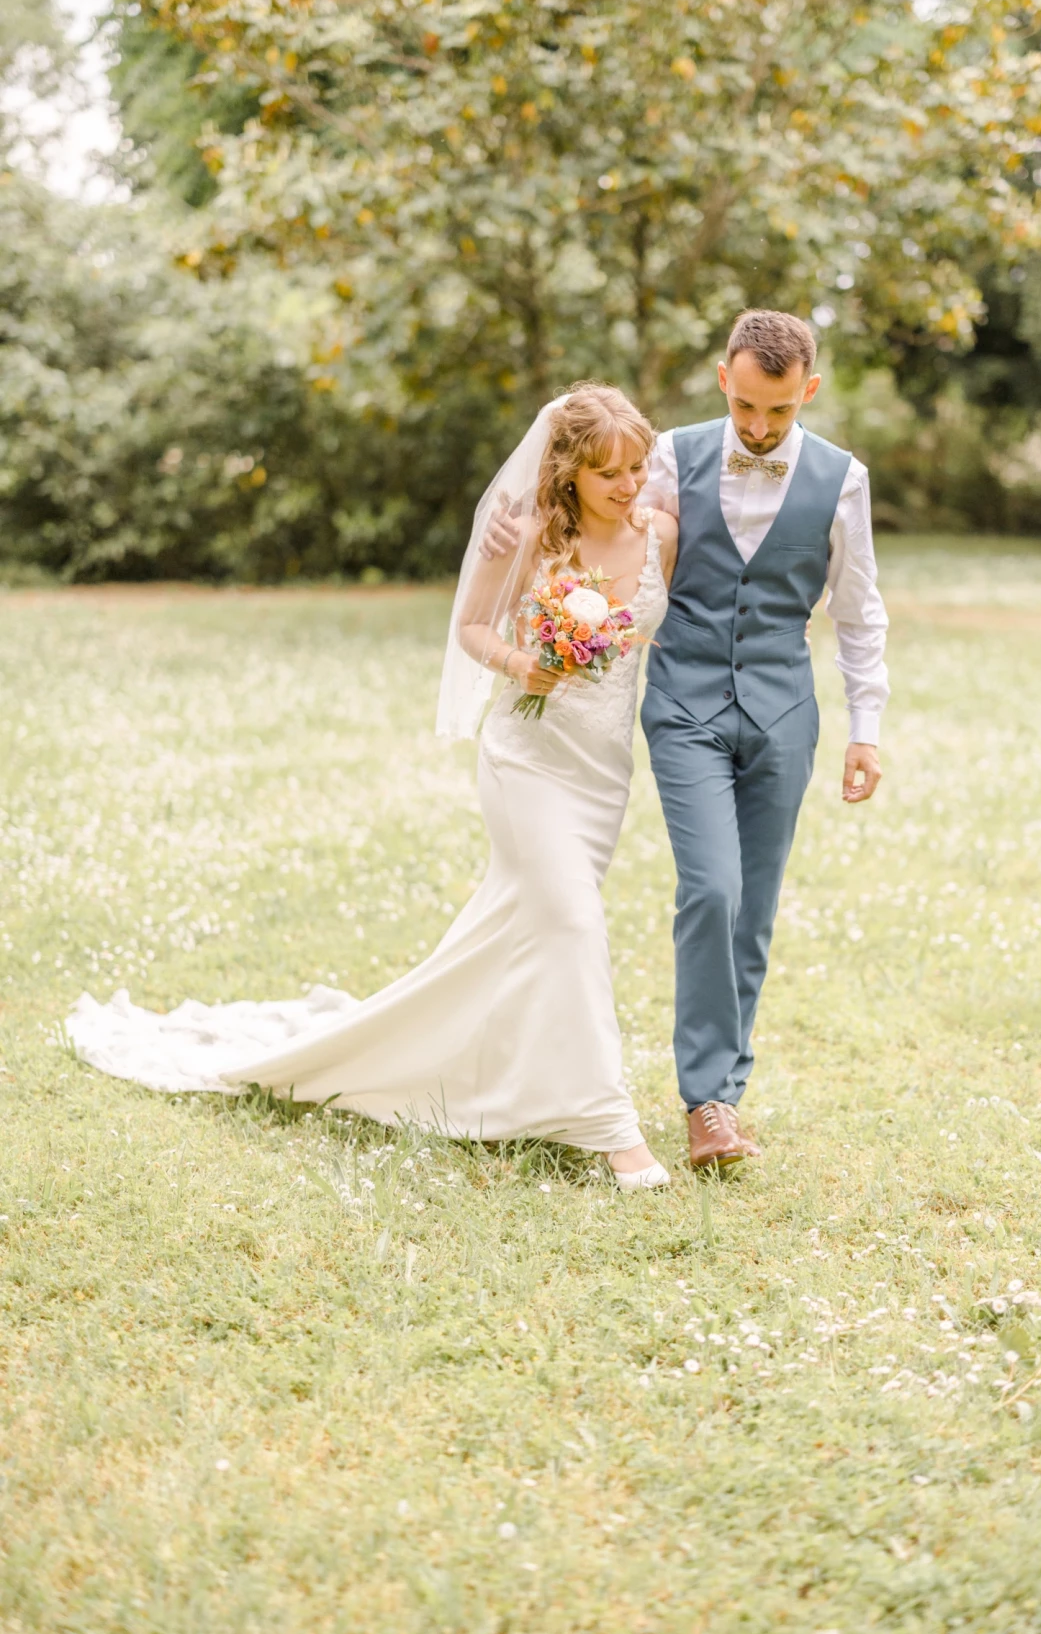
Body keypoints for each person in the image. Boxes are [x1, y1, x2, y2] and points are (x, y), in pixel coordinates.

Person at [68, 384, 678, 1192]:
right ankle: (611, 1128)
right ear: (568, 473)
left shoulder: (661, 531)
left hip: (602, 773)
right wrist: (524, 664)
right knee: (570, 920)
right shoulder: (525, 535)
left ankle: (486, 1076)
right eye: (609, 474)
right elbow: (470, 629)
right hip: (527, 761)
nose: (629, 485)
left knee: (524, 935)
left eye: (637, 467)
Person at [483, 312, 888, 1171]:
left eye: (777, 412)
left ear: (807, 391)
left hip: (785, 713)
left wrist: (868, 728)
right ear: (722, 379)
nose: (758, 427)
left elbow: (858, 612)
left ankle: (723, 1099)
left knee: (756, 904)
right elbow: (592, 513)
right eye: (744, 406)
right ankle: (703, 1100)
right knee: (711, 888)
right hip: (685, 706)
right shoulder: (667, 454)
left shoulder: (842, 480)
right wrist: (506, 524)